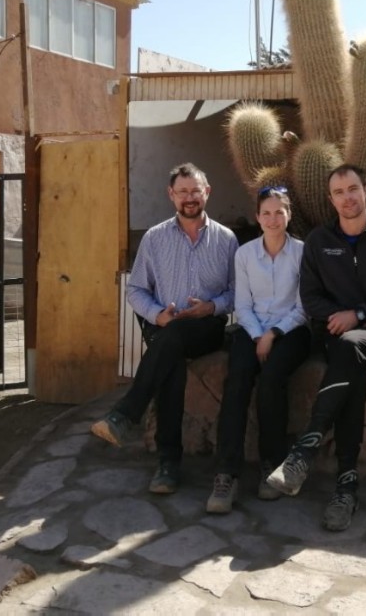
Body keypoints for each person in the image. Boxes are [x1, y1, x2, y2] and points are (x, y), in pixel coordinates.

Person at [266, 164, 366, 531]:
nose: (347, 197)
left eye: (353, 189)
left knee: (350, 349)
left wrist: (362, 313)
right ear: (331, 199)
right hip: (340, 335)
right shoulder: (319, 241)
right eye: (339, 192)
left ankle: (303, 452)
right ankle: (346, 487)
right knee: (352, 372)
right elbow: (311, 298)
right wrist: (345, 317)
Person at [90, 163, 237, 494]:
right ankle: (167, 461)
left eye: (195, 191)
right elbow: (136, 289)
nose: (189, 197)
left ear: (207, 192)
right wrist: (158, 315)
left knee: (170, 344)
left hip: (206, 328)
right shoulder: (154, 239)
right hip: (165, 327)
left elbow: (237, 290)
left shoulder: (226, 240)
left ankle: (130, 418)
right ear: (171, 195)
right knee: (170, 358)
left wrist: (211, 307)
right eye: (182, 191)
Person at [206, 187, 311, 514]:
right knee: (236, 382)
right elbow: (243, 304)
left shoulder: (303, 253)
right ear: (257, 217)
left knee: (271, 381)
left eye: (279, 212)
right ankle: (226, 475)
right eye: (266, 213)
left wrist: (275, 333)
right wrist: (257, 335)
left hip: (292, 331)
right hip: (252, 330)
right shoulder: (245, 254)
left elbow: (304, 306)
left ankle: (272, 465)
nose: (272, 219)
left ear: (288, 215)